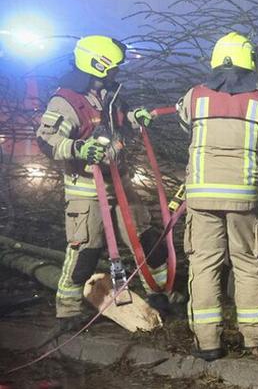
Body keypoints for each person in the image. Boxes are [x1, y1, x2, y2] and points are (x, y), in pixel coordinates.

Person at [35, 35, 170, 331]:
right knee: (85, 251)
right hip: (86, 189)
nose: (117, 71)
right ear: (98, 64)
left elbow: (118, 122)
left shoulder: (109, 93)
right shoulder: (67, 101)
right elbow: (46, 139)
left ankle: (160, 294)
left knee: (146, 239)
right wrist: (79, 148)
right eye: (113, 66)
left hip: (119, 182)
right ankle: (68, 311)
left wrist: (136, 117)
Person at [176, 32, 258, 361]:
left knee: (204, 265)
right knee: (248, 264)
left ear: (216, 60)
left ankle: (208, 343)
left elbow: (186, 126)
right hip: (243, 197)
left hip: (202, 197)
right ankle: (253, 340)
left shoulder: (194, 97)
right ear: (248, 63)